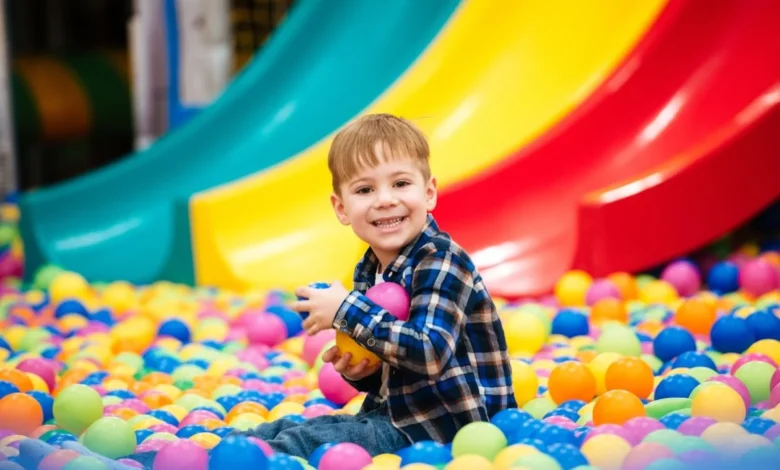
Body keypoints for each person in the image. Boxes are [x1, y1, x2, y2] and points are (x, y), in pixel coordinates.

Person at [127, 113, 516, 467]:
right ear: (341, 208)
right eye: (365, 190)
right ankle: (165, 460)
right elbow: (395, 370)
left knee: (303, 442)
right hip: (397, 417)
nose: (385, 200)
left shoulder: (441, 260)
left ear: (428, 192)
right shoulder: (370, 268)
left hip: (450, 430)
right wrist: (363, 370)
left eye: (400, 183)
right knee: (277, 431)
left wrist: (346, 308)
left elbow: (429, 353)